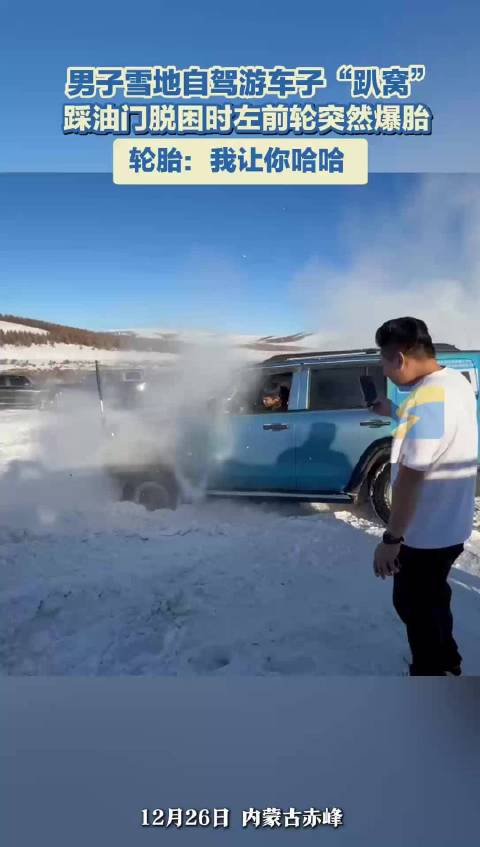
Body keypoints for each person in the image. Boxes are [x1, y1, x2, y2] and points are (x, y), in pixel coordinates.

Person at [371, 316, 478, 676]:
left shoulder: (429, 398)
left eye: (384, 362)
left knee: (414, 604)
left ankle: (432, 677)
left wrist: (391, 539)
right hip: (450, 525)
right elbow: (433, 431)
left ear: (399, 358)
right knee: (432, 598)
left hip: (426, 534)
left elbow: (410, 479)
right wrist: (396, 412)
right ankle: (447, 659)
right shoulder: (453, 382)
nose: (385, 371)